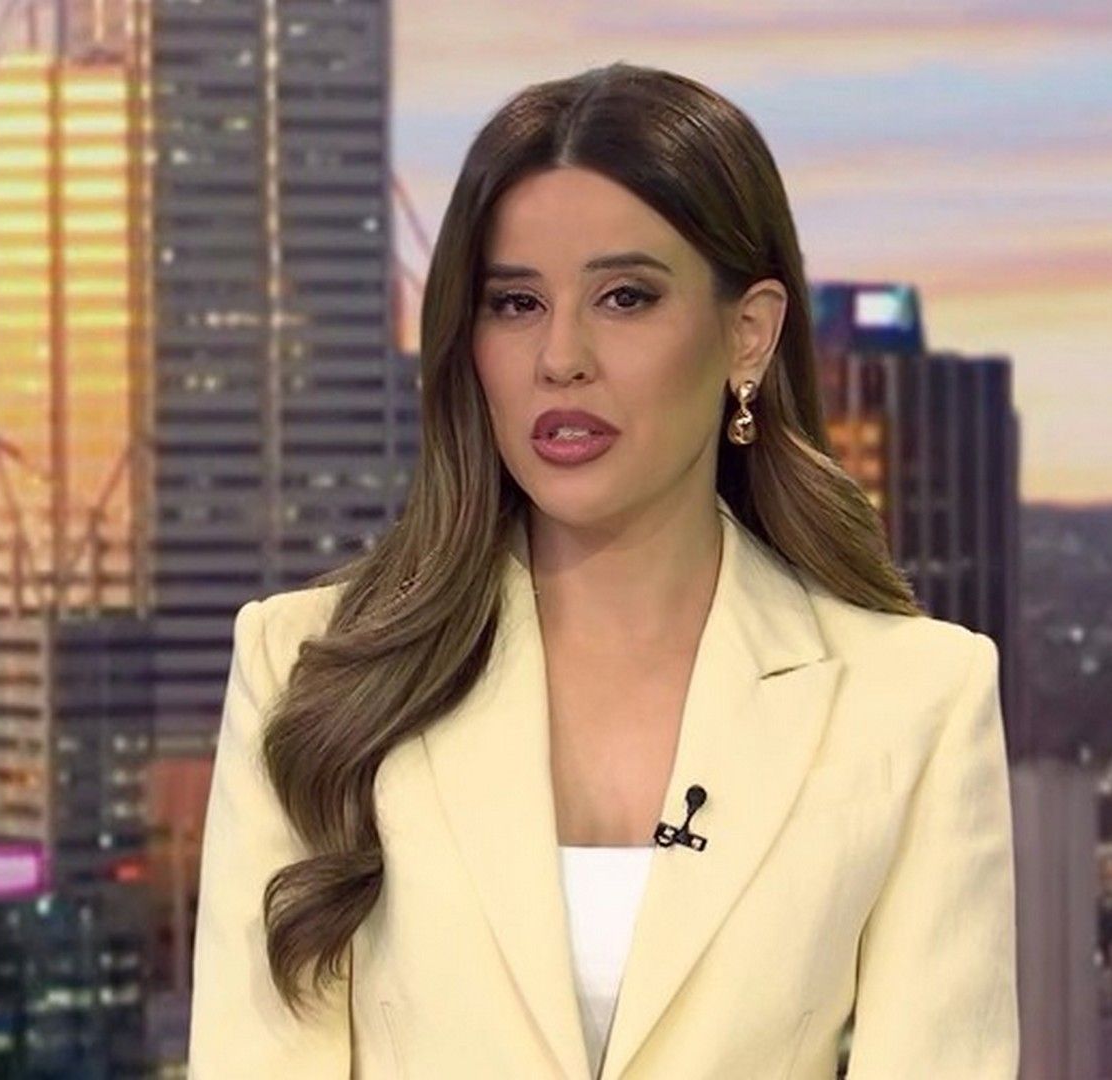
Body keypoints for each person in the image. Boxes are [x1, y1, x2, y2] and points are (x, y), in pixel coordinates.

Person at [188, 61, 1018, 1079]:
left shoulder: (914, 701)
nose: (561, 356)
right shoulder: (307, 673)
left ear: (748, 335)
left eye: (625, 297)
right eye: (515, 303)